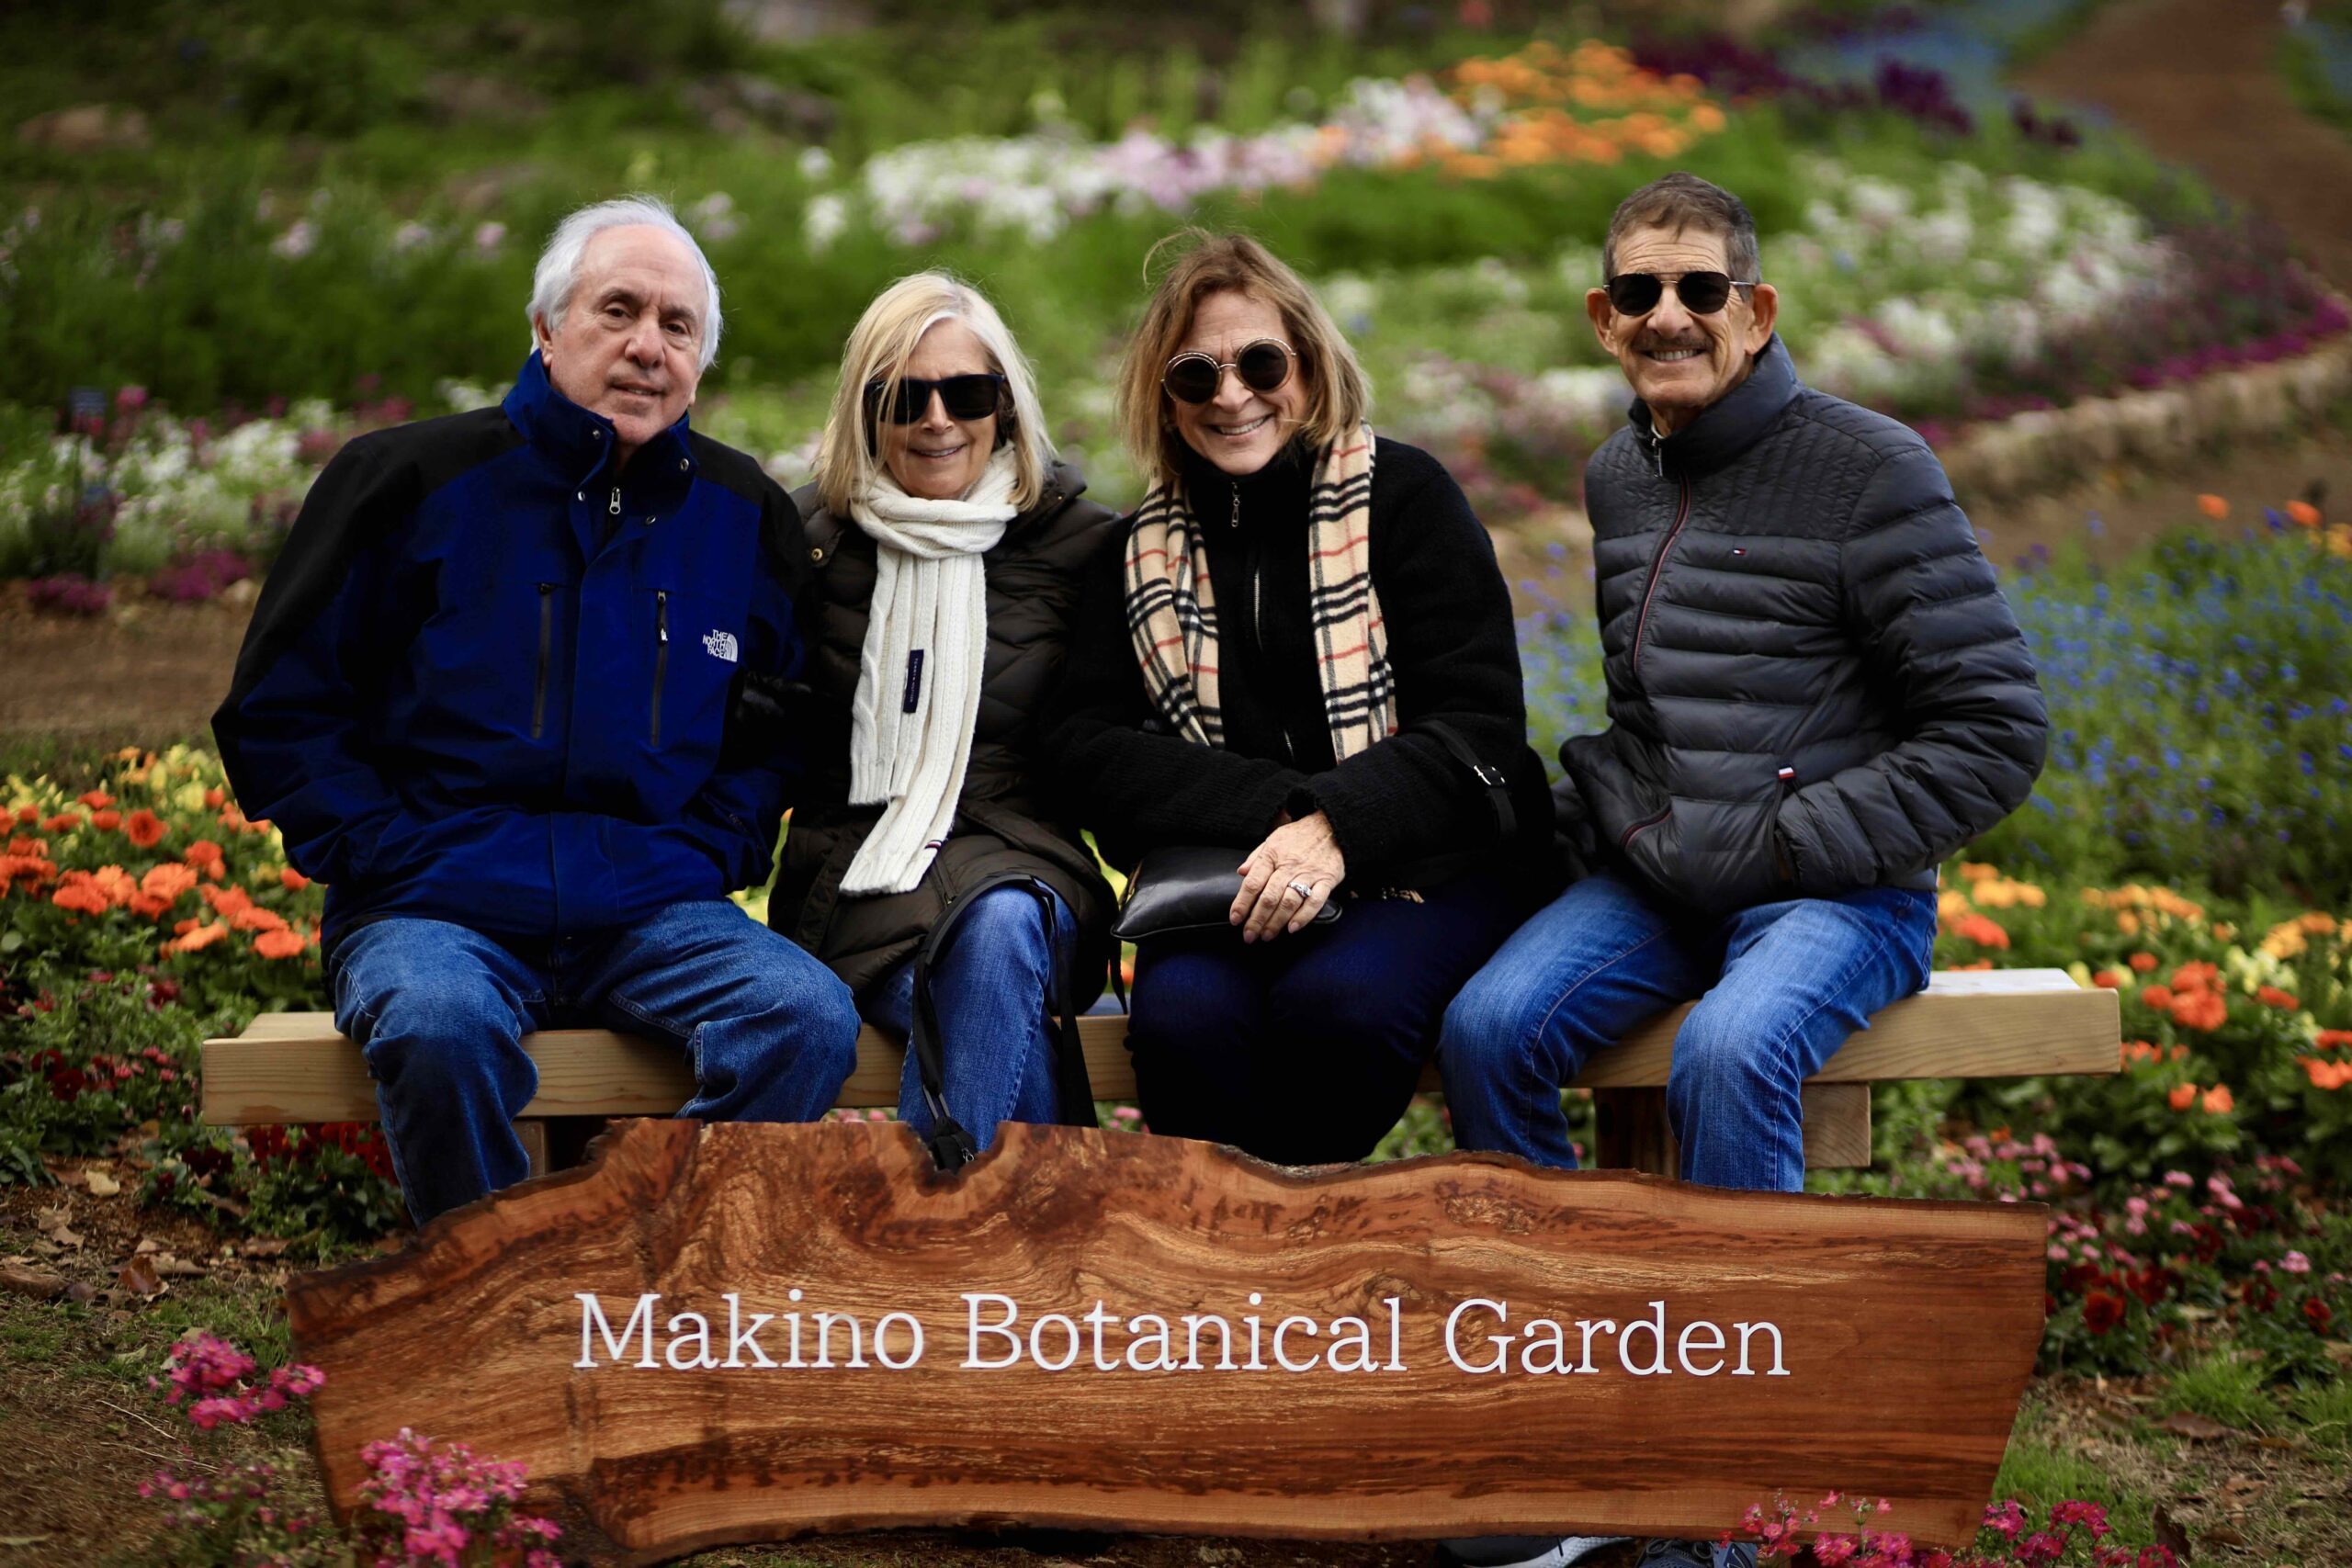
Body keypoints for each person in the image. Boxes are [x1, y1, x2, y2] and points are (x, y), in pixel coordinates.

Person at [1436, 173, 2049, 1568]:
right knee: (1488, 1026)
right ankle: (1581, 1442)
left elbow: (1997, 731)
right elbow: (1667, 712)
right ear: (1603, 319)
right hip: (1669, 880)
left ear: (1757, 311)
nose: (1670, 315)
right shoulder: (1617, 474)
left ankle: (1727, 1510)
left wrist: (1789, 843)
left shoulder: (1871, 467)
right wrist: (1625, 818)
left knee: (1730, 1051)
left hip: (1844, 893)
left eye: (1700, 289)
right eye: (1639, 293)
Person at [212, 196, 862, 1226]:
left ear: (701, 361)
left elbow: (775, 730)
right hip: (434, 908)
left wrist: (714, 848)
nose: (648, 345)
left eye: (678, 325)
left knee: (805, 1016)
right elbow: (279, 709)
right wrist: (384, 852)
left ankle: (636, 1276)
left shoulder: (744, 519)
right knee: (436, 1024)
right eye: (618, 310)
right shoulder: (405, 483)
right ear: (545, 329)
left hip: (650, 911)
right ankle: (492, 1304)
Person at [1045, 231, 1552, 1167]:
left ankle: (1282, 1271)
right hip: (1227, 885)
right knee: (1183, 1024)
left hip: (1430, 870)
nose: (1232, 395)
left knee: (1341, 1010)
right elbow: (1083, 749)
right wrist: (1279, 810)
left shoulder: (1404, 498)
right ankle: (1256, 1283)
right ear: (1164, 397)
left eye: (1261, 363)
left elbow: (1477, 726)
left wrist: (1336, 824)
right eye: (1196, 376)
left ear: (1310, 372)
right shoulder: (1133, 555)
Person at [750, 272, 1117, 1161]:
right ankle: (1017, 1265)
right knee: (984, 985)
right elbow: (761, 743)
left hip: (1023, 859)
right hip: (856, 879)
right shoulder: (807, 541)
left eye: (968, 392)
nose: (937, 418)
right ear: (863, 409)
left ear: (1007, 404)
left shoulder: (1085, 543)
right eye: (904, 396)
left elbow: (1116, 746)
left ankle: (937, 1250)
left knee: (996, 925)